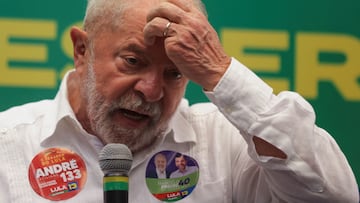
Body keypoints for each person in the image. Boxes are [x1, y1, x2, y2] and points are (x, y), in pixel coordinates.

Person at [0, 0, 358, 202]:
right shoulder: (7, 145)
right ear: (82, 50)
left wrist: (220, 72)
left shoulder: (224, 143)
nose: (152, 91)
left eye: (175, 73)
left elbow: (336, 197)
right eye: (133, 61)